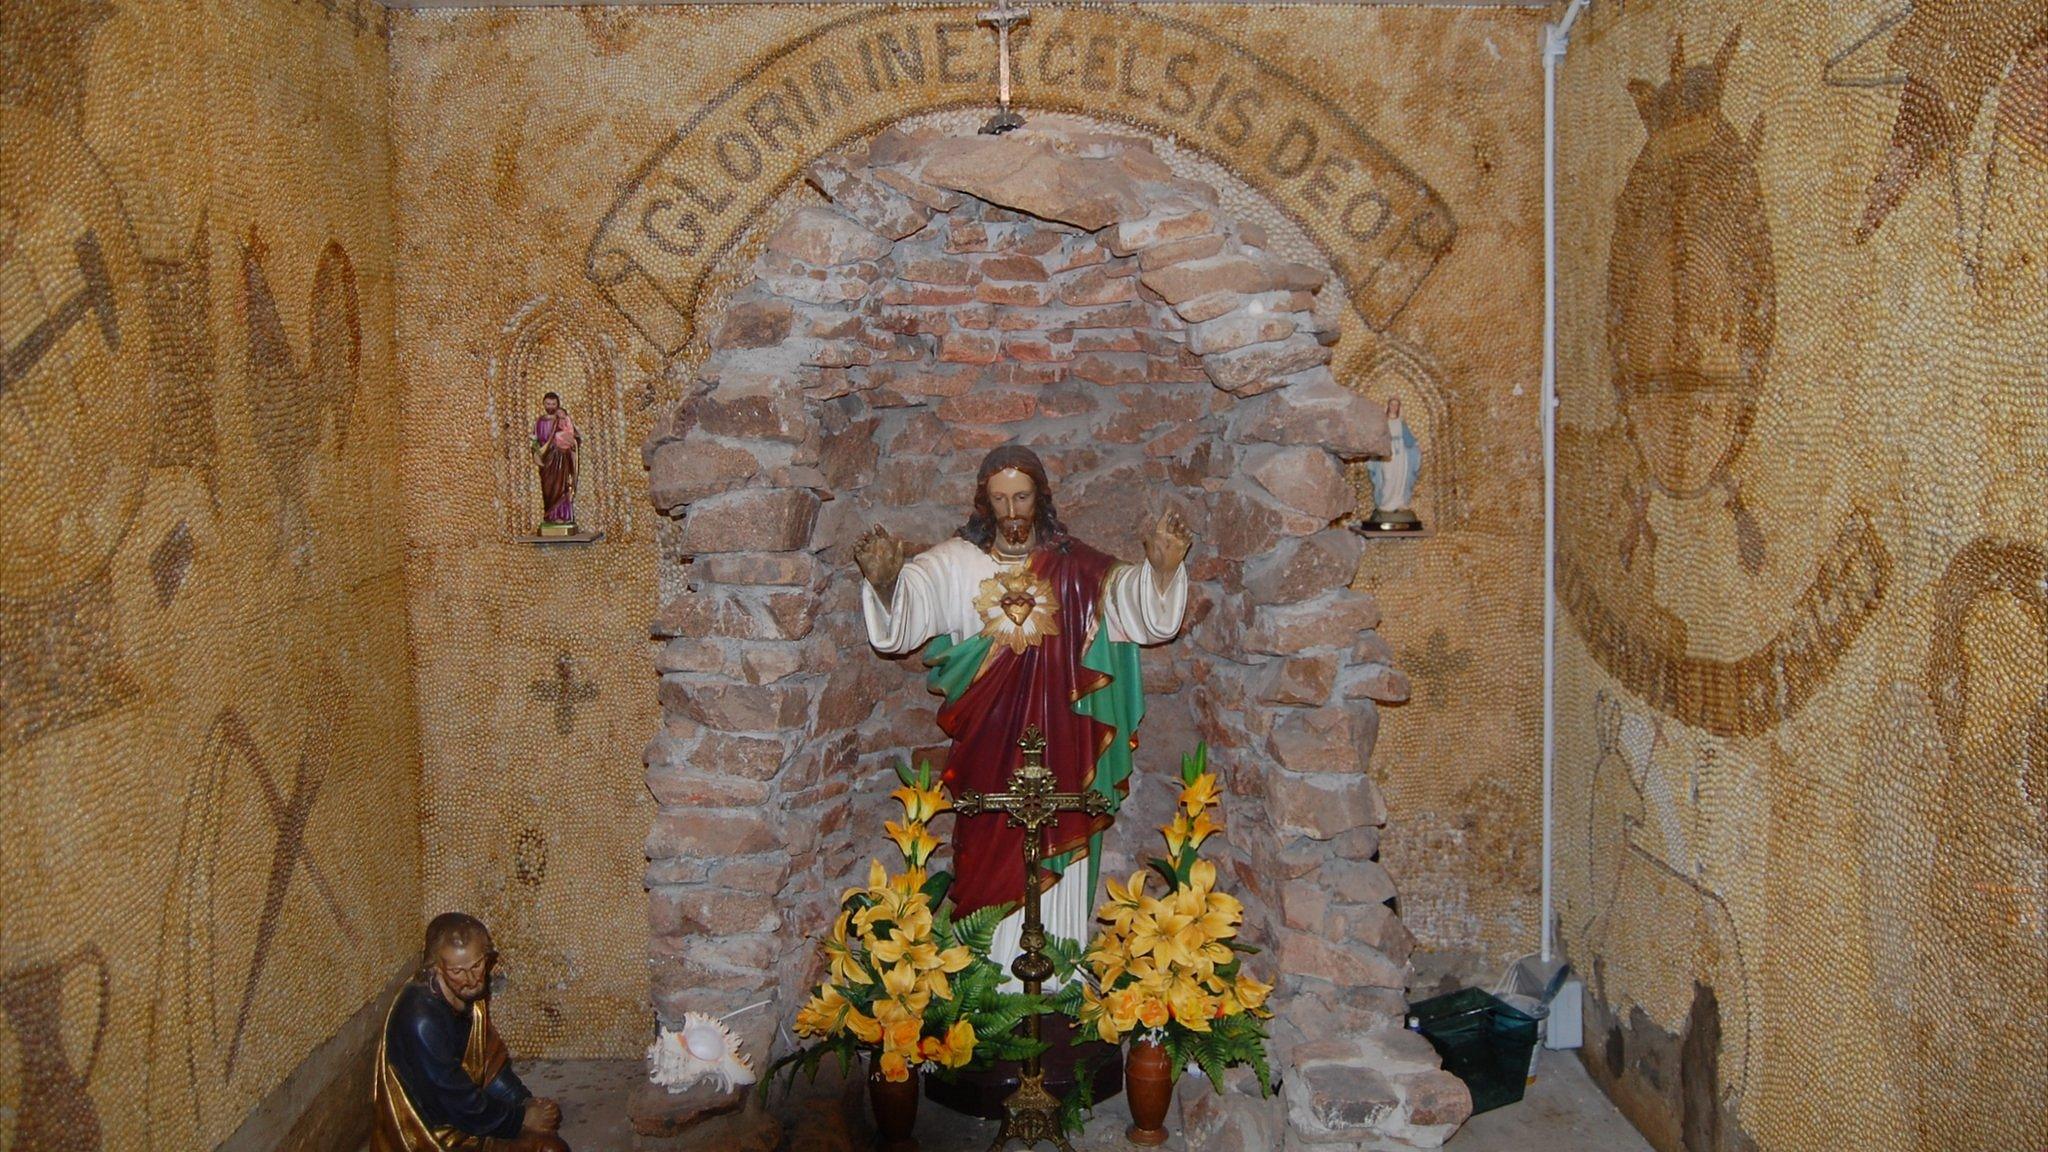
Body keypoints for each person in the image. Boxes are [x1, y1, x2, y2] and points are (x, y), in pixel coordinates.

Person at [854, 445, 1192, 965]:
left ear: (1041, 497)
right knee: (989, 852)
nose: (1012, 511)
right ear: (983, 502)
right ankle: (986, 978)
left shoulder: (1074, 566)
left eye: (1022, 496)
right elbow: (909, 608)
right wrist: (884, 583)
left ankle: (1058, 973)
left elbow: (1128, 600)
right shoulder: (957, 563)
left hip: (1060, 747)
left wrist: (1162, 573)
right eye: (1000, 499)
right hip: (989, 749)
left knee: (1058, 843)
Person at [371, 913, 569, 1152]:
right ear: (435, 967)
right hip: (435, 1136)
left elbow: (489, 1064)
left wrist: (525, 1102)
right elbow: (456, 1101)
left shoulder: (468, 995)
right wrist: (519, 1119)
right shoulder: (421, 1020)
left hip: (470, 1121)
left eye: (477, 965)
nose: (472, 979)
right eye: (457, 971)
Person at [532, 393, 579, 527]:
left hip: (561, 459)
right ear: (543, 404)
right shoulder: (539, 421)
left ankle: (562, 516)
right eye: (548, 404)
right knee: (548, 489)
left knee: (561, 487)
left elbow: (574, 436)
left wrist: (569, 442)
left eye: (553, 404)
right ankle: (550, 516)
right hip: (546, 461)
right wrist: (536, 453)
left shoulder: (562, 420)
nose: (550, 407)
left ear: (557, 404)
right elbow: (534, 440)